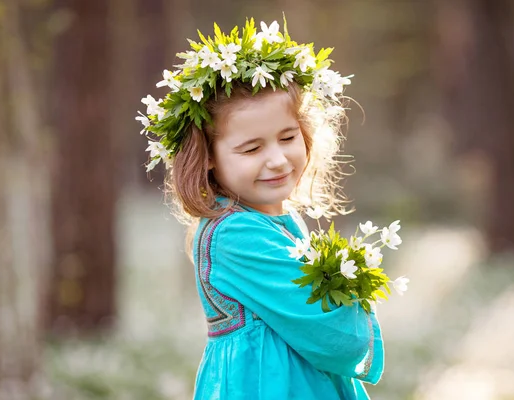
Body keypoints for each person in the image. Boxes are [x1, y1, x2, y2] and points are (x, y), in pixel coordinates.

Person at [137, 18, 384, 399]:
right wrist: (349, 297)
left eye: (288, 138)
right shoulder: (234, 235)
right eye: (252, 148)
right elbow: (338, 340)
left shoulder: (278, 220)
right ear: (208, 158)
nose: (277, 160)